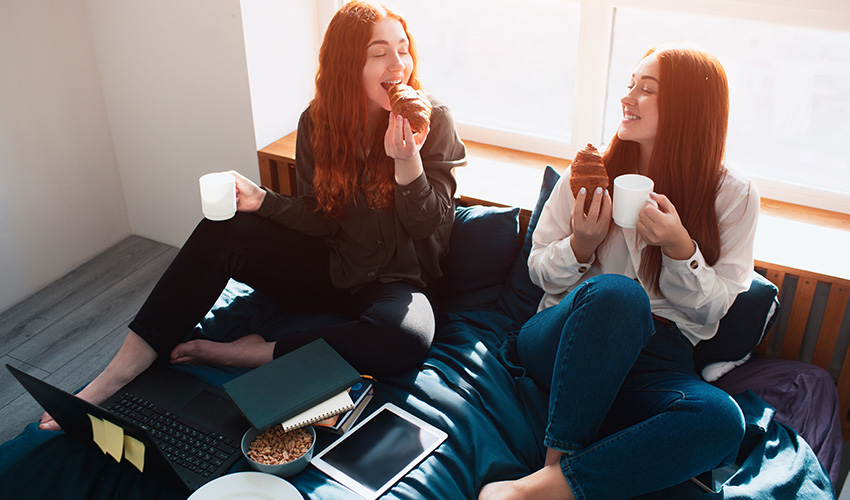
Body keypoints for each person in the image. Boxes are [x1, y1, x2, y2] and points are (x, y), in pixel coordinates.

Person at [40, 0, 466, 431]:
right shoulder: (319, 123)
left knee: (406, 337)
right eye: (379, 53)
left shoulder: (433, 121)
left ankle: (249, 352)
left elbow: (433, 229)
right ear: (347, 63)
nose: (398, 64)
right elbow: (322, 218)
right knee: (225, 227)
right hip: (333, 269)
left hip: (396, 285)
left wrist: (407, 163)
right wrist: (263, 200)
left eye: (403, 48)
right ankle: (117, 373)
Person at [479, 44, 759, 500]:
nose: (627, 98)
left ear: (688, 110)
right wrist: (581, 245)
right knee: (618, 296)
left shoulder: (735, 195)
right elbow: (539, 273)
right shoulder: (590, 174)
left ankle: (545, 489)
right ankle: (557, 461)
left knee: (723, 421)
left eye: (645, 90)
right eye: (630, 85)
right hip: (569, 338)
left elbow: (711, 314)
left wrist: (679, 247)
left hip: (658, 357)